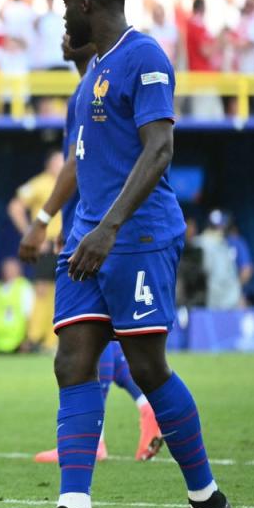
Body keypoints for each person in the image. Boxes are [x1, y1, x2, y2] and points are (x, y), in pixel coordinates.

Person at [1, 0, 231, 508]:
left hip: (136, 236)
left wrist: (107, 229)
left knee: (148, 367)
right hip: (86, 238)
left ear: (85, 4)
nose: (58, 16)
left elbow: (160, 149)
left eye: (62, 5)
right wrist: (51, 220)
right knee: (72, 359)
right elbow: (81, 159)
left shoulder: (144, 55)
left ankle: (208, 501)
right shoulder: (93, 73)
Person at [19, 35, 162, 466]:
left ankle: (112, 432)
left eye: (69, 20)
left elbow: (79, 166)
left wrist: (46, 222)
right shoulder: (86, 90)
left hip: (102, 232)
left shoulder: (96, 88)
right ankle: (139, 413)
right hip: (92, 228)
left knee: (93, 341)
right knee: (94, 340)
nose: (62, 32)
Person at [7, 150, 64, 351]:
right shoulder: (39, 184)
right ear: (49, 164)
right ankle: (35, 339)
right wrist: (31, 234)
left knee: (63, 290)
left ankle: (54, 339)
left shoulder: (71, 181)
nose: (61, 163)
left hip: (67, 242)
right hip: (47, 243)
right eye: (57, 160)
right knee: (42, 289)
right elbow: (15, 206)